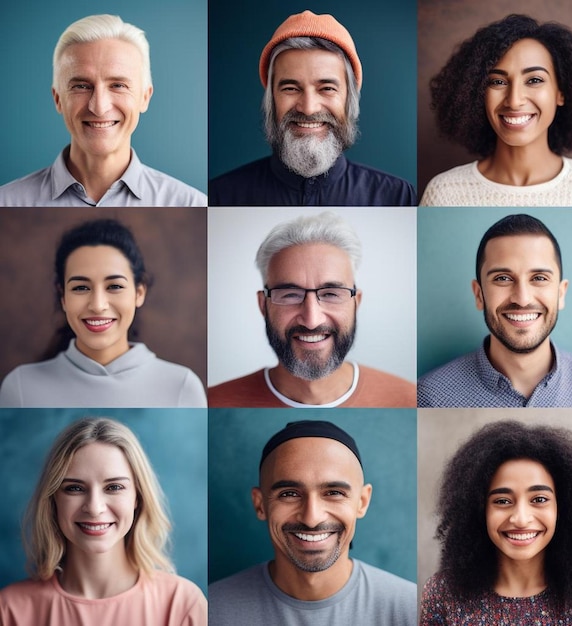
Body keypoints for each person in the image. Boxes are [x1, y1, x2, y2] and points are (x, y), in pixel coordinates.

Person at [0, 417, 207, 625]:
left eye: (114, 487)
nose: (94, 508)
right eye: (74, 488)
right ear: (53, 499)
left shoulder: (182, 604)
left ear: (138, 497)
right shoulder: (9, 609)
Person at [209, 420, 418, 625]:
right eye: (289, 494)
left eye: (334, 493)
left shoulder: (412, 609)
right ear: (260, 504)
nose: (311, 518)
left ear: (362, 502)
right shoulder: (211, 611)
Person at [419, 419, 572, 624]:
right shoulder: (443, 596)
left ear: (563, 508)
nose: (520, 519)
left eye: (539, 499)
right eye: (502, 501)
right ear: (479, 510)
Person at [208, 211, 416, 407]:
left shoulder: (408, 399)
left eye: (331, 294)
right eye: (290, 295)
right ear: (263, 304)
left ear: (356, 302)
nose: (312, 320)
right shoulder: (212, 402)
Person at [209, 10, 416, 206]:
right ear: (271, 98)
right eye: (290, 88)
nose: (308, 108)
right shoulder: (220, 196)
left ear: (349, 99)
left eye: (326, 88)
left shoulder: (398, 197)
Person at [418, 213, 572, 407]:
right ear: (479, 294)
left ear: (561, 293)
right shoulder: (428, 396)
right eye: (503, 279)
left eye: (539, 278)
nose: (522, 299)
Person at [0, 14, 207, 207]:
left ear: (145, 97)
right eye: (81, 86)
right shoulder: (7, 202)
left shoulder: (191, 203)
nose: (99, 107)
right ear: (58, 99)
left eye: (118, 85)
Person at [419, 14, 572, 206]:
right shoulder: (445, 193)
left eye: (534, 80)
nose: (514, 100)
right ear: (477, 92)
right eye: (498, 81)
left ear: (561, 93)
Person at [0, 218, 207, 407]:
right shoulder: (21, 388)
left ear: (139, 292)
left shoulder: (182, 387)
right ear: (63, 296)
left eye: (114, 286)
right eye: (81, 288)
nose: (98, 305)